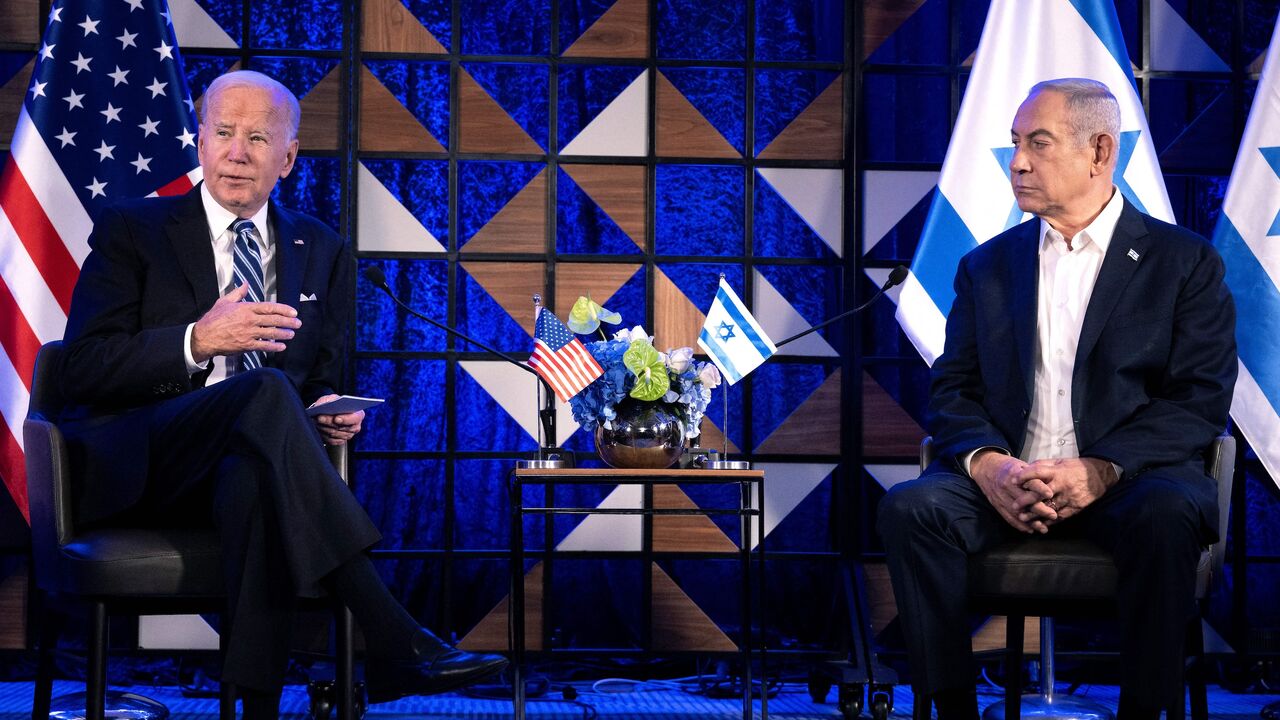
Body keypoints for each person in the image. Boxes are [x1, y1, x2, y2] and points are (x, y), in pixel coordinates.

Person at [55, 70, 506, 718]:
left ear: (288, 157)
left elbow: (318, 375)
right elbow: (82, 369)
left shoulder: (321, 248)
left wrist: (329, 411)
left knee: (252, 475)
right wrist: (197, 342)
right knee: (264, 391)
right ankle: (393, 635)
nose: (238, 152)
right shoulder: (133, 228)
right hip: (147, 458)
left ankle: (253, 708)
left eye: (259, 137)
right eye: (224, 133)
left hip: (255, 459)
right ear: (200, 141)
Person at [877, 78, 1237, 720]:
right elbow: (953, 389)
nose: (1017, 161)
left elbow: (1197, 401)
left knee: (1168, 514)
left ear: (1100, 152)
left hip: (1131, 480)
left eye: (1038, 143)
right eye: (1016, 143)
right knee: (913, 508)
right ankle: (951, 709)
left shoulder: (1184, 263)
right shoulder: (987, 266)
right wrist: (991, 465)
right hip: (1011, 475)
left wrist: (1098, 469)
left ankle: (1145, 713)